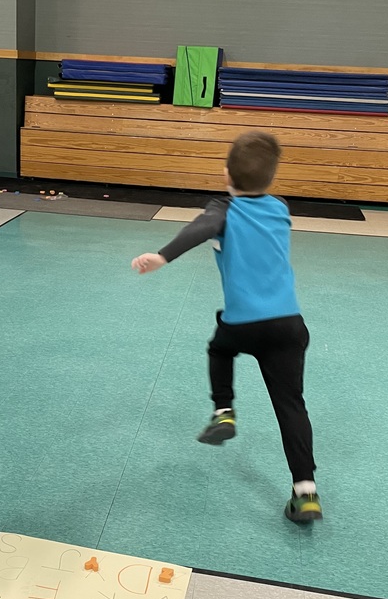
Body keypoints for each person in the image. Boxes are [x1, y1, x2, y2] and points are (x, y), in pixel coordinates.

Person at [131, 131, 322, 523]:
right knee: (291, 406)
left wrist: (163, 256)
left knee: (220, 349)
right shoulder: (281, 207)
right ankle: (306, 492)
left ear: (225, 175)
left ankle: (224, 411)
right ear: (271, 179)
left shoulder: (222, 209)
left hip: (243, 325)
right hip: (288, 325)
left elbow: (203, 227)